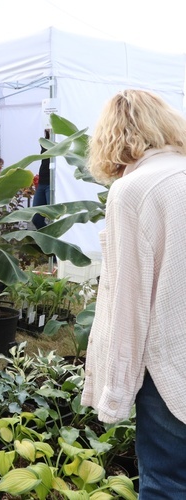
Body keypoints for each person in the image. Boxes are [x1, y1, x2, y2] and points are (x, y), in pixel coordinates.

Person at [80, 89, 186, 496]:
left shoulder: (135, 190)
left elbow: (127, 300)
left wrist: (115, 391)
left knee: (167, 482)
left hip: (172, 363)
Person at [32, 129, 52, 229]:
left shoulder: (58, 143)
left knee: (53, 217)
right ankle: (47, 237)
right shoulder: (44, 142)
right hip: (42, 183)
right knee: (36, 218)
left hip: (51, 183)